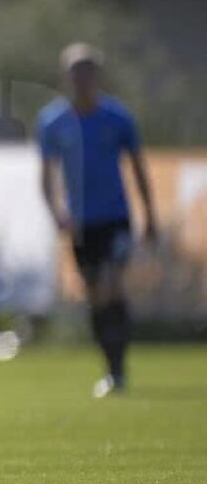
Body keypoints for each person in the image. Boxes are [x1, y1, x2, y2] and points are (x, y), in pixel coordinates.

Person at [37, 42, 157, 398]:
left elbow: (138, 168)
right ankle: (111, 368)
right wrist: (56, 213)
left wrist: (150, 216)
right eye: (76, 72)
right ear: (66, 76)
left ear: (97, 76)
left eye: (88, 72)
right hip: (81, 223)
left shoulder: (117, 117)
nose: (82, 79)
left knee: (110, 284)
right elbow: (45, 175)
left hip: (116, 218)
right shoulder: (53, 121)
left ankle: (119, 368)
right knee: (94, 295)